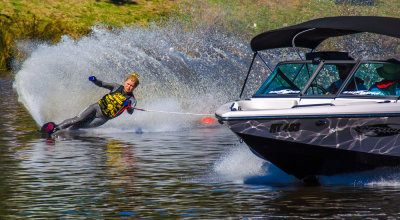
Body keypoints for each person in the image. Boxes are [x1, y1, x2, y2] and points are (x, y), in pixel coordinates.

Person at [54, 73, 139, 131]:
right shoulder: (116, 87)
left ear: (134, 87)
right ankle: (55, 128)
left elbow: (130, 112)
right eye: (128, 84)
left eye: (131, 86)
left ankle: (62, 133)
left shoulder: (132, 99)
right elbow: (102, 84)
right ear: (125, 82)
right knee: (77, 120)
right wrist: (94, 80)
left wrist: (128, 106)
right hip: (96, 107)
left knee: (79, 126)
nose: (129, 87)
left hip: (102, 118)